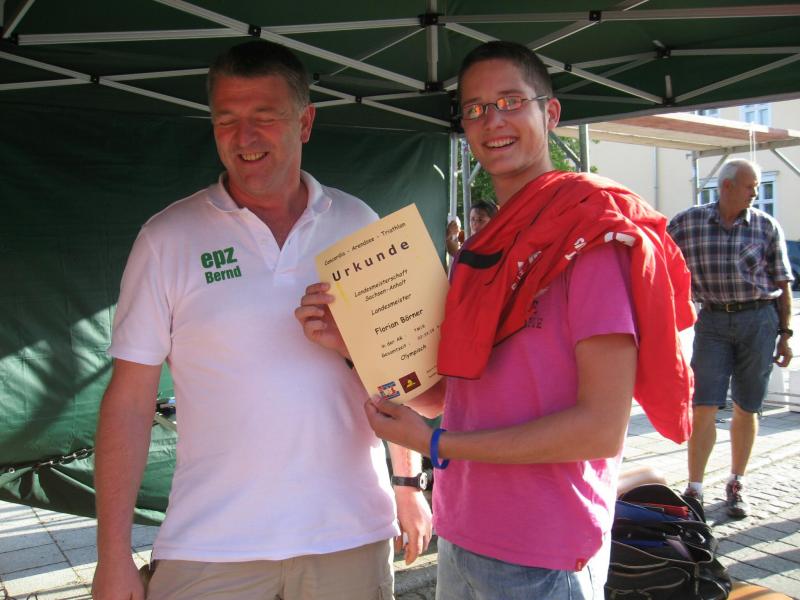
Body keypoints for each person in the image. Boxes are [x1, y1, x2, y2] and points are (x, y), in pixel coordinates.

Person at [298, 40, 695, 599]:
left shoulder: (590, 242)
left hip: (544, 550)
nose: (493, 121)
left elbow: (600, 429)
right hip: (463, 533)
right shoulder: (479, 253)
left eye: (511, 102)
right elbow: (449, 400)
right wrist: (354, 343)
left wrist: (438, 444)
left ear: (550, 113)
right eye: (476, 108)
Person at [92, 40, 431, 600]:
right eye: (227, 120)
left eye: (265, 117)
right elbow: (128, 402)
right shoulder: (167, 238)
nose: (244, 137)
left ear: (305, 123)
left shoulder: (360, 224)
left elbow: (399, 371)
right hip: (211, 545)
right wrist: (111, 556)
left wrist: (407, 483)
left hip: (347, 535)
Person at [667, 158, 794, 518]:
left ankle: (736, 483)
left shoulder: (766, 225)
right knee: (703, 405)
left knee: (747, 406)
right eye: (751, 185)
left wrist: (785, 335)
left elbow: (783, 283)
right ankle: (694, 488)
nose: (756, 192)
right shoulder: (688, 223)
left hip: (759, 320)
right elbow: (655, 253)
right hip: (712, 321)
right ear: (727, 186)